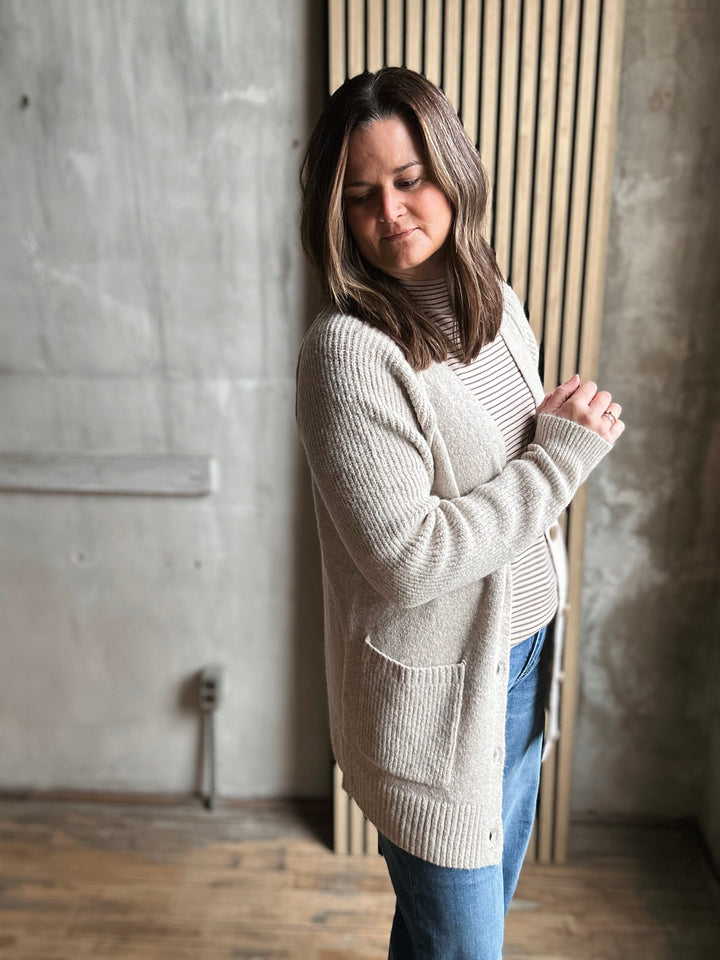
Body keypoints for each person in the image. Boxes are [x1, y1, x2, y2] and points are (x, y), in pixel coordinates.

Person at [295, 66, 624, 960]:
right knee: (463, 948)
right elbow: (407, 556)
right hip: (437, 704)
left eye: (409, 180)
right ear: (336, 213)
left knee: (447, 937)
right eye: (361, 195)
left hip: (520, 669)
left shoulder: (496, 304)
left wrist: (552, 452)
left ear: (451, 169)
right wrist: (560, 462)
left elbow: (516, 470)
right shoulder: (350, 354)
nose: (391, 213)